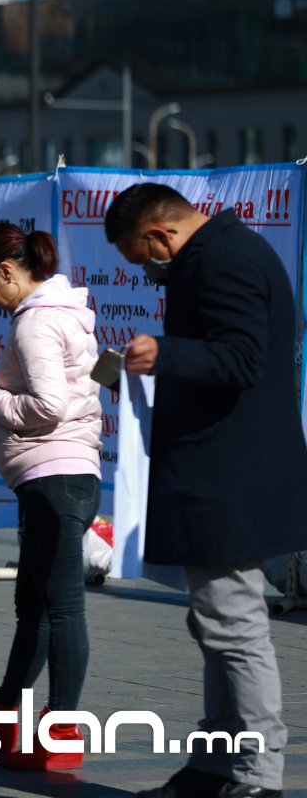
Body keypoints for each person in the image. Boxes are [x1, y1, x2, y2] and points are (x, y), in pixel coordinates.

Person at [106, 184, 306, 798]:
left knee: (234, 624)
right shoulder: (222, 255)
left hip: (230, 474)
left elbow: (242, 358)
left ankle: (256, 774)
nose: (147, 272)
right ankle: (217, 761)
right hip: (223, 468)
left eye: (142, 260)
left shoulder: (227, 261)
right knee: (216, 621)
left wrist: (163, 354)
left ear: (160, 236)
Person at [0, 224, 102, 770]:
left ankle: (62, 731)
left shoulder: (35, 325)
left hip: (53, 476)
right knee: (34, 607)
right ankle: (3, 721)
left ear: (8, 272)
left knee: (60, 608)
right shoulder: (63, 312)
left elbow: (48, 407)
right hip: (59, 477)